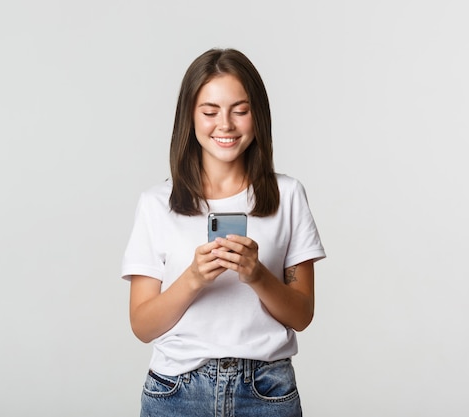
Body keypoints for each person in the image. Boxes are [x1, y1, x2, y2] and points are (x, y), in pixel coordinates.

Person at [122, 48, 326, 417]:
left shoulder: (289, 196)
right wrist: (193, 279)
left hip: (266, 391)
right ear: (190, 117)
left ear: (257, 116)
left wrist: (257, 275)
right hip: (176, 392)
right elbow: (142, 325)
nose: (226, 125)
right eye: (210, 111)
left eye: (240, 110)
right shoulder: (156, 203)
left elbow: (302, 315)